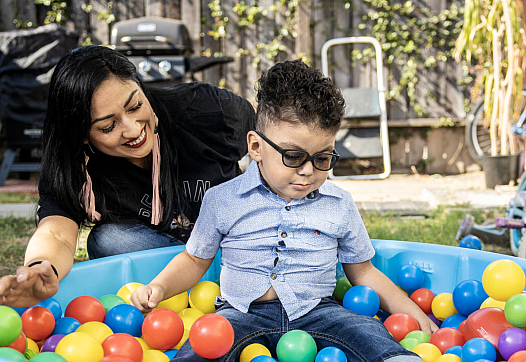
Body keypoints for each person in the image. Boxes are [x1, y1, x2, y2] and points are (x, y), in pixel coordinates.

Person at [131, 59, 438, 362]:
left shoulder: (339, 204)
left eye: (322, 158)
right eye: (293, 156)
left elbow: (364, 271)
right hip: (240, 313)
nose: (308, 171)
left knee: (368, 331)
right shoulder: (222, 200)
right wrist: (158, 287)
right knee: (205, 344)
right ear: (256, 148)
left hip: (319, 311)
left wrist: (412, 312)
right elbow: (194, 260)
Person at [0, 45, 255, 308]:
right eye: (108, 126)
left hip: (236, 245)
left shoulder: (204, 110)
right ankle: (182, 282)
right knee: (108, 241)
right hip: (168, 254)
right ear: (82, 134)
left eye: (135, 106)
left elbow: (274, 136)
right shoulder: (73, 163)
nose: (133, 130)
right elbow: (56, 234)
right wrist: (41, 269)